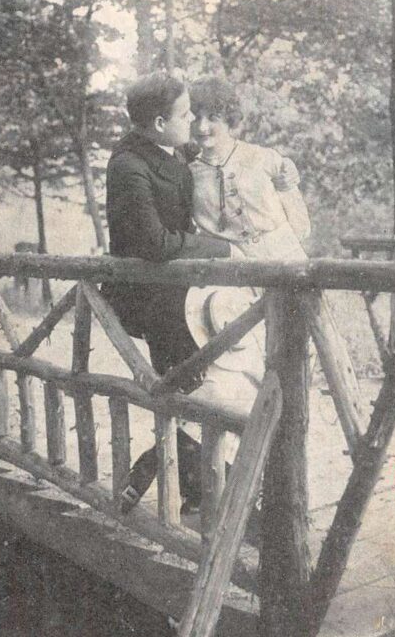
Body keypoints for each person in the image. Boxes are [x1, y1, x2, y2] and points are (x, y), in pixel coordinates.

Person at [102, 73, 233, 513]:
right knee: (191, 389)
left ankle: (178, 486)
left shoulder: (171, 148)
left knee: (201, 387)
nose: (194, 121)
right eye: (185, 114)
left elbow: (220, 155)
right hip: (149, 297)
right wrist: (218, 248)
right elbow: (154, 244)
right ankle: (198, 495)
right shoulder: (127, 166)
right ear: (159, 123)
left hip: (178, 289)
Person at [189, 78, 311, 260]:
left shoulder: (263, 158)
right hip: (232, 267)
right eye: (195, 118)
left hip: (284, 257)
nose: (202, 127)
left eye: (213, 118)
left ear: (229, 119)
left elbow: (300, 224)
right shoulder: (189, 173)